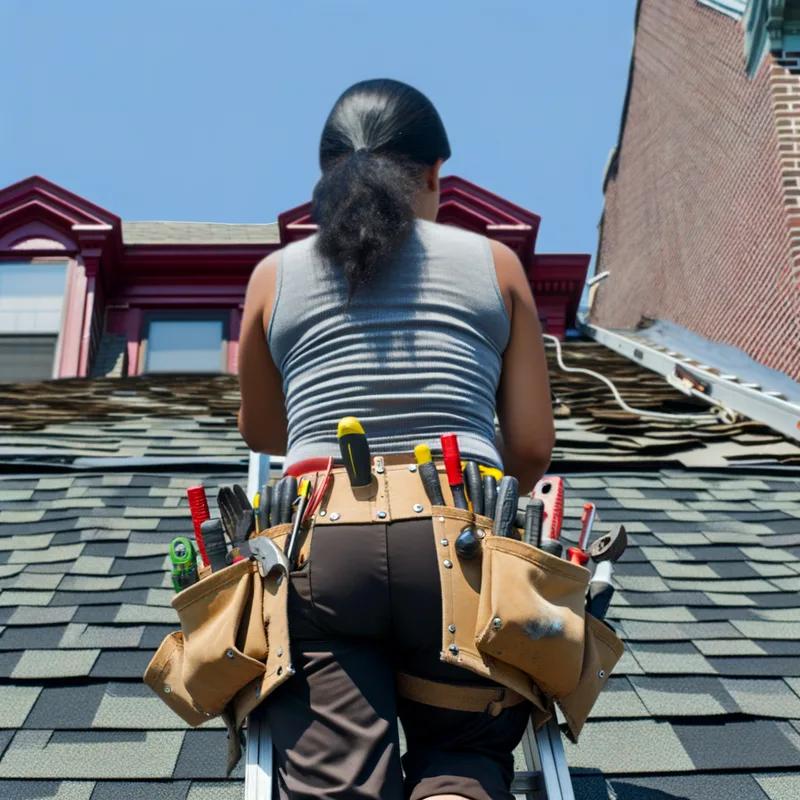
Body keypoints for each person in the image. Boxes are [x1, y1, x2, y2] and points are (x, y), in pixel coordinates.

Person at [237, 78, 555, 800]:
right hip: (462, 537)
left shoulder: (271, 279)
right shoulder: (496, 266)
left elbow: (262, 431)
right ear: (436, 173)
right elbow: (533, 447)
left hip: (319, 543)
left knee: (338, 783)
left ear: (328, 176)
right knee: (462, 755)